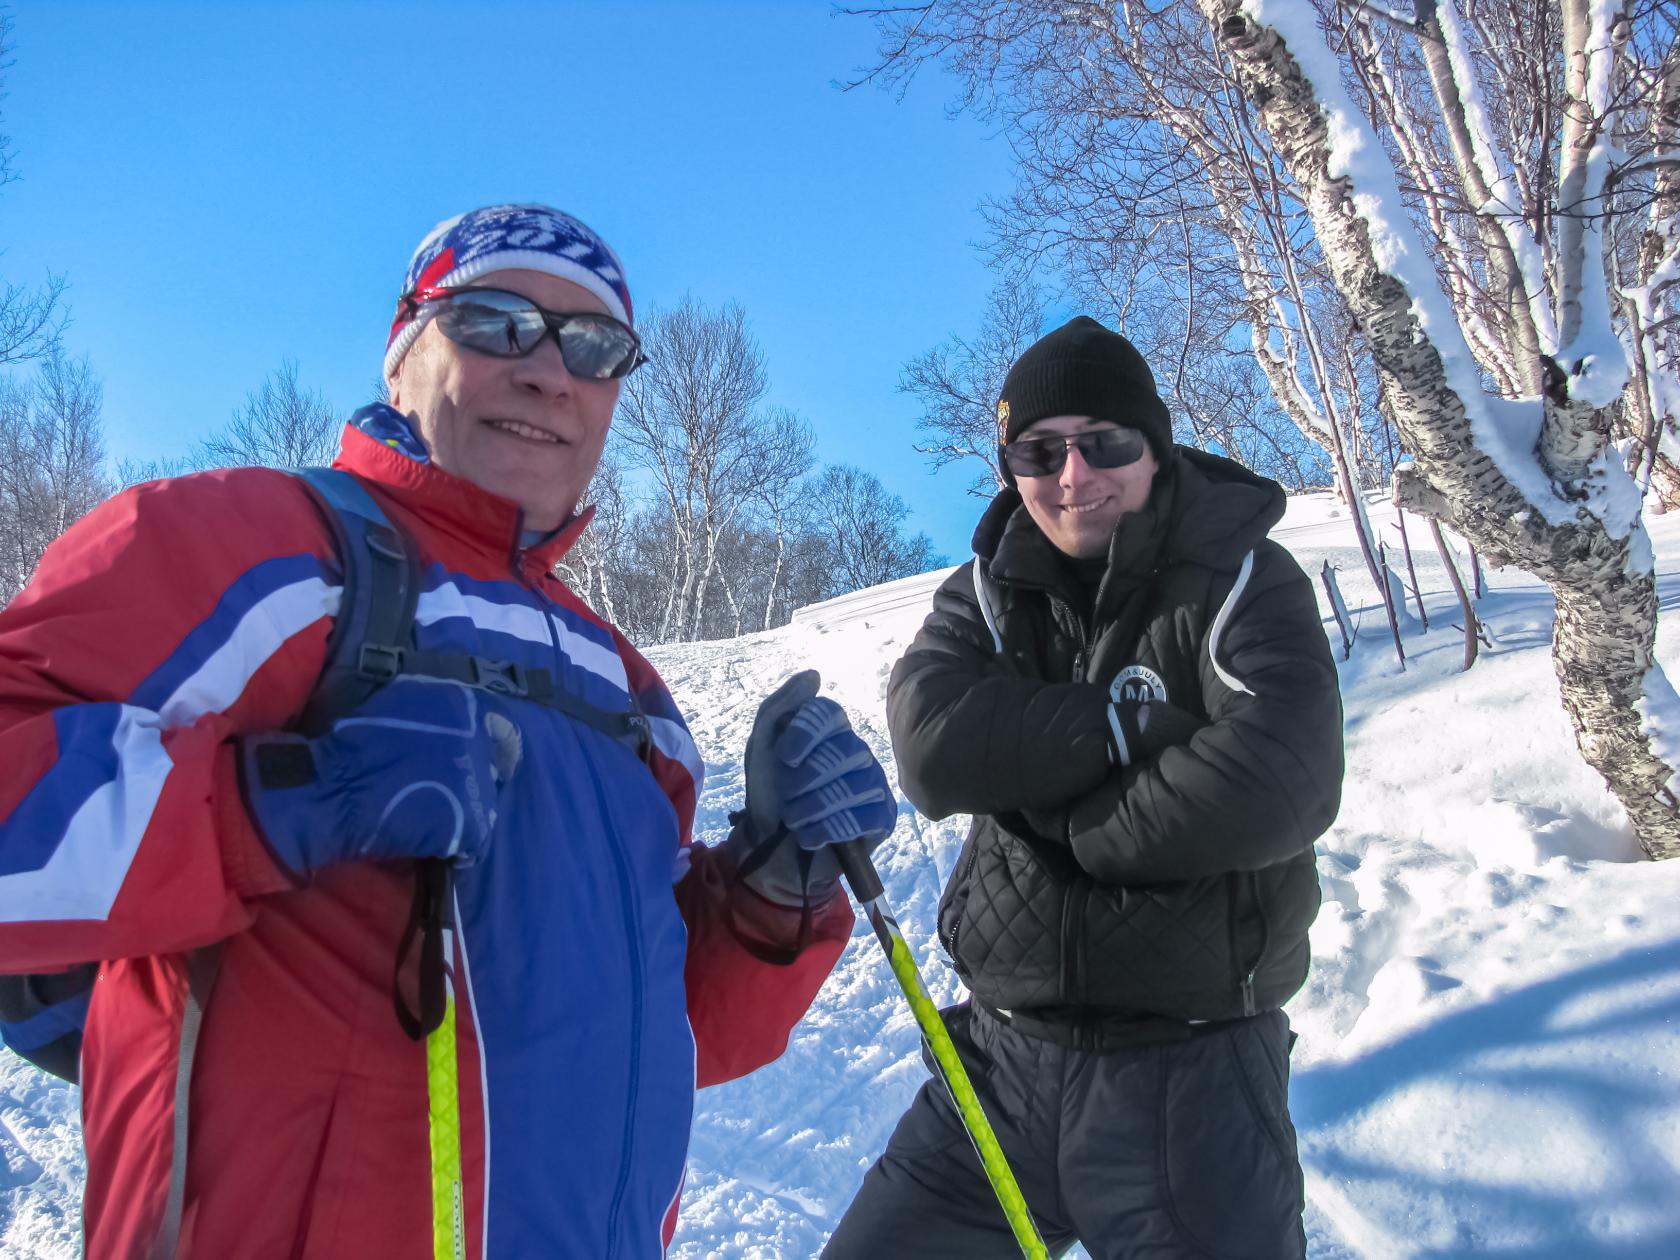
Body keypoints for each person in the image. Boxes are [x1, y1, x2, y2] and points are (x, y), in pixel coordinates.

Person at [0, 203, 895, 1259]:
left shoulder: (626, 687)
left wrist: (774, 884)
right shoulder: (250, 548)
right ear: (404, 351)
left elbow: (670, 1032)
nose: (548, 371)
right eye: (496, 322)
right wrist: (277, 802)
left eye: (594, 346)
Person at [823, 316, 1343, 1259]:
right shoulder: (986, 588)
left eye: (1104, 442)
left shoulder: (1239, 576)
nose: (1072, 475)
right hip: (1000, 1071)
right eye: (1039, 450)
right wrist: (1121, 729)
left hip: (1191, 1082)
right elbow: (934, 748)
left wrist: (1069, 817)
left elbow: (1282, 776)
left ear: (1155, 444)